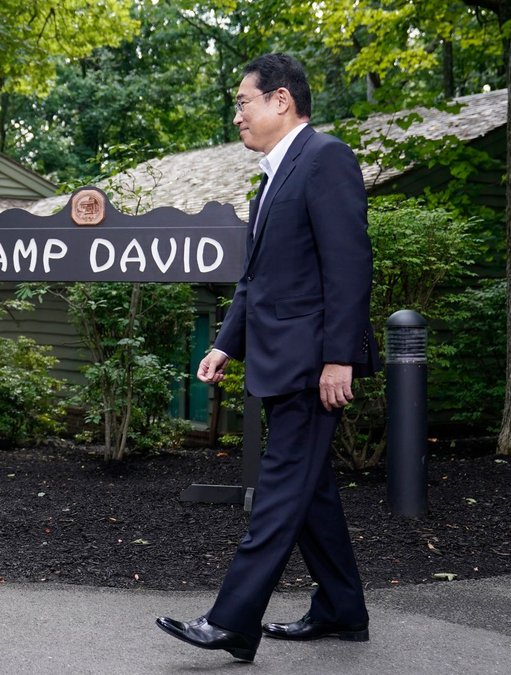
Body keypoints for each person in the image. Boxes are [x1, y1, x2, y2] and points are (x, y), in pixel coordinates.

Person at [156, 53, 380, 662]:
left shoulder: (326, 158)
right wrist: (225, 343)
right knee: (311, 492)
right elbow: (256, 281)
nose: (237, 116)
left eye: (242, 102)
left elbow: (349, 264)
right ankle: (342, 609)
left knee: (279, 491)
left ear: (281, 100)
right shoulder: (271, 181)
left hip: (312, 365)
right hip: (282, 360)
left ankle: (231, 621)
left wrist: (340, 358)